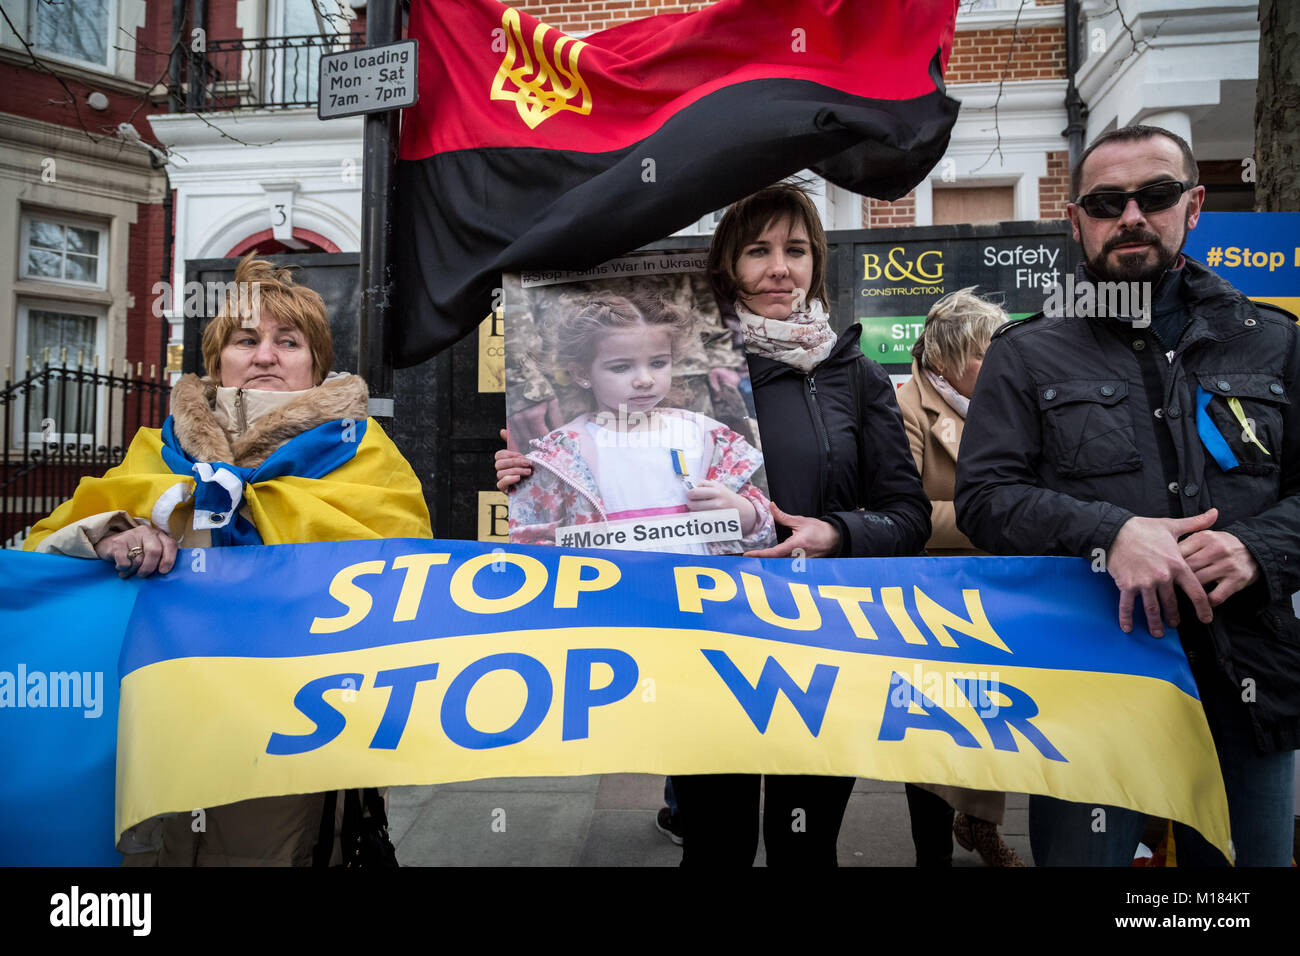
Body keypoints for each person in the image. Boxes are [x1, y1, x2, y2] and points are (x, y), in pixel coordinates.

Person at [954, 125, 1299, 866]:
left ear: (1194, 204)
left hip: (1248, 682)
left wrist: (1257, 547)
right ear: (1077, 219)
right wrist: (1109, 532)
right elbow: (984, 498)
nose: (1132, 216)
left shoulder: (1274, 341)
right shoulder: (1026, 350)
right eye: (1108, 202)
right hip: (1091, 684)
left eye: (1156, 195)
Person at [25, 254, 432, 865]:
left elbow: (404, 571)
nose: (265, 356)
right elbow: (49, 544)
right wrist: (113, 532)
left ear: (314, 365)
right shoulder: (158, 450)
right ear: (218, 361)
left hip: (291, 724)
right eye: (247, 340)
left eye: (287, 342)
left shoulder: (364, 454)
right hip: (158, 723)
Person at [895, 287, 1023, 867]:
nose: (998, 363)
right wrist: (1007, 521)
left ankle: (977, 822)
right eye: (983, 354)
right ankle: (933, 856)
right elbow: (909, 512)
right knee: (931, 730)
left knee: (989, 720)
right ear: (945, 359)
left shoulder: (1007, 405)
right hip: (932, 594)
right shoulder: (907, 404)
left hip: (995, 588)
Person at [505, 294, 776, 553]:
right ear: (581, 373)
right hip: (609, 595)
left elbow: (767, 532)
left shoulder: (706, 437)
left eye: (658, 363)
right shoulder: (562, 454)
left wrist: (745, 514)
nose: (645, 379)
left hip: (700, 592)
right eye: (621, 367)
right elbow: (530, 542)